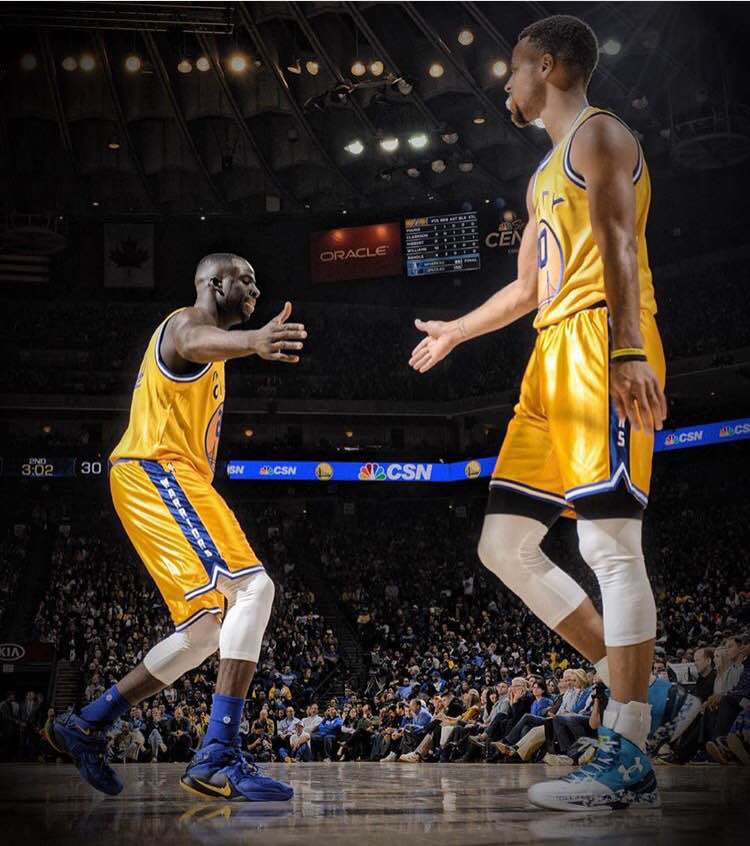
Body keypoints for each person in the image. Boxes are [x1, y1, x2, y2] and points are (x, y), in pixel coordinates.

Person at [409, 15, 666, 811]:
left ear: (548, 67)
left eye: (513, 70)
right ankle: (630, 686)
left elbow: (619, 241)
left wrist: (627, 351)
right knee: (504, 544)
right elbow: (526, 290)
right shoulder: (542, 172)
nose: (506, 85)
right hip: (549, 354)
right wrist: (457, 327)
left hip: (599, 340)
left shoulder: (600, 135)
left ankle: (626, 744)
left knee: (608, 544)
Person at [46, 253, 306, 801]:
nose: (256, 288)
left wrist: (246, 345)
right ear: (214, 283)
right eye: (246, 279)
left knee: (210, 627)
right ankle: (217, 754)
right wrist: (256, 341)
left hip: (162, 477)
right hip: (157, 470)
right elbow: (191, 342)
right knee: (254, 587)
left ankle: (88, 723)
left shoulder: (215, 349)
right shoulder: (188, 325)